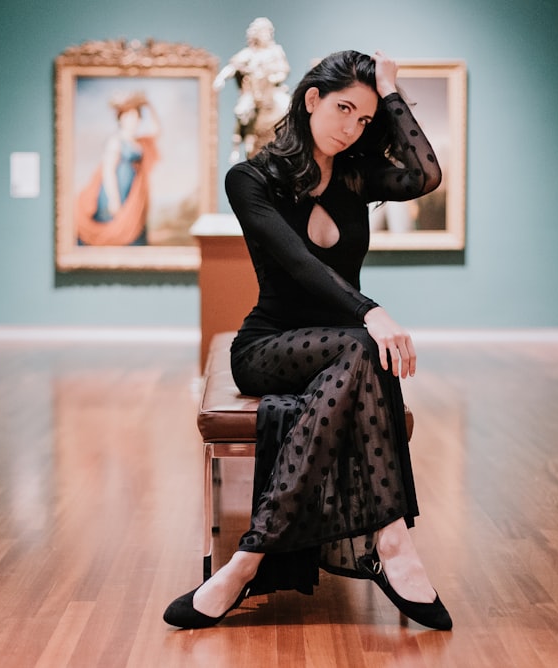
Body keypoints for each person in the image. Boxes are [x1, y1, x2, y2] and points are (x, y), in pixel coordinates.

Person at [164, 49, 452, 631]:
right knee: (365, 346)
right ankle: (391, 545)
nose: (352, 128)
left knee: (359, 350)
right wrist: (370, 311)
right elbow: (297, 265)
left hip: (344, 347)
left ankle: (248, 562)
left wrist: (390, 93)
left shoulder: (355, 174)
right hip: (269, 347)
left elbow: (426, 174)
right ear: (311, 99)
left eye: (365, 120)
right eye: (344, 108)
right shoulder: (250, 178)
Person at [75, 90, 160, 246]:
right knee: (114, 232)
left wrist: (147, 105)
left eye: (134, 117)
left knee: (133, 234)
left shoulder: (139, 142)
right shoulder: (115, 141)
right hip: (115, 191)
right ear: (120, 119)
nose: (131, 121)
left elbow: (156, 130)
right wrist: (114, 199)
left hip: (133, 193)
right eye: (127, 117)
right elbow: (108, 171)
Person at [213, 17, 291, 163]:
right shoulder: (249, 53)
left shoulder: (276, 51)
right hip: (254, 92)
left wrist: (276, 77)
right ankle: (236, 146)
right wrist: (220, 78)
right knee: (242, 110)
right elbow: (233, 67)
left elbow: (284, 69)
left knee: (288, 106)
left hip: (271, 90)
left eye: (268, 32)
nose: (266, 35)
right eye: (263, 32)